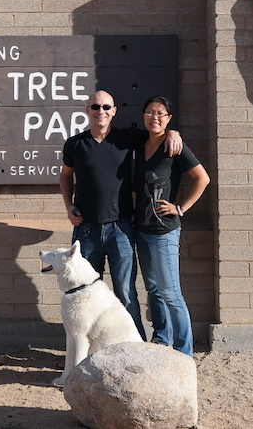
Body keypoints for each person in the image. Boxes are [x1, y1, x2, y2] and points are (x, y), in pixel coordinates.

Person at [59, 90, 181, 339]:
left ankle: (135, 345)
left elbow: (155, 130)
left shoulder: (127, 138)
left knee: (125, 293)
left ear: (114, 111)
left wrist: (173, 132)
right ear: (88, 110)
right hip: (86, 230)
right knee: (84, 294)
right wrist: (68, 206)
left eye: (106, 107)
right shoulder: (75, 144)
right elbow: (65, 175)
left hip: (121, 230)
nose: (100, 111)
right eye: (95, 107)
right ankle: (88, 349)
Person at [133, 95, 210, 356]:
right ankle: (162, 339)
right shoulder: (139, 145)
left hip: (164, 232)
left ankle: (184, 351)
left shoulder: (173, 146)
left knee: (171, 293)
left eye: (161, 113)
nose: (155, 117)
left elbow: (203, 178)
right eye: (150, 112)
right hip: (141, 230)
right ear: (143, 115)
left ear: (168, 118)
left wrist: (181, 208)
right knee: (153, 289)